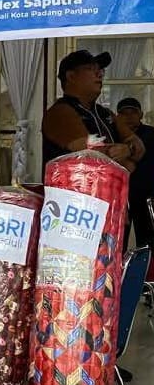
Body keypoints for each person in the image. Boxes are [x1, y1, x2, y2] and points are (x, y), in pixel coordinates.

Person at [41, 49, 145, 170]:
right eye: (90, 69)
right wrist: (129, 157)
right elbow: (96, 155)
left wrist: (129, 149)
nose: (99, 74)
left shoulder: (105, 113)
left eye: (100, 70)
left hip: (106, 186)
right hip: (73, 187)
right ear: (71, 76)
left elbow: (139, 146)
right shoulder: (60, 112)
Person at [116, 96, 154, 249]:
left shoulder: (151, 134)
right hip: (120, 196)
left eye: (133, 112)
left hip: (146, 195)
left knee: (147, 240)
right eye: (124, 113)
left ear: (141, 115)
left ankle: (148, 271)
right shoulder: (113, 135)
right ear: (118, 117)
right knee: (118, 240)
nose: (129, 117)